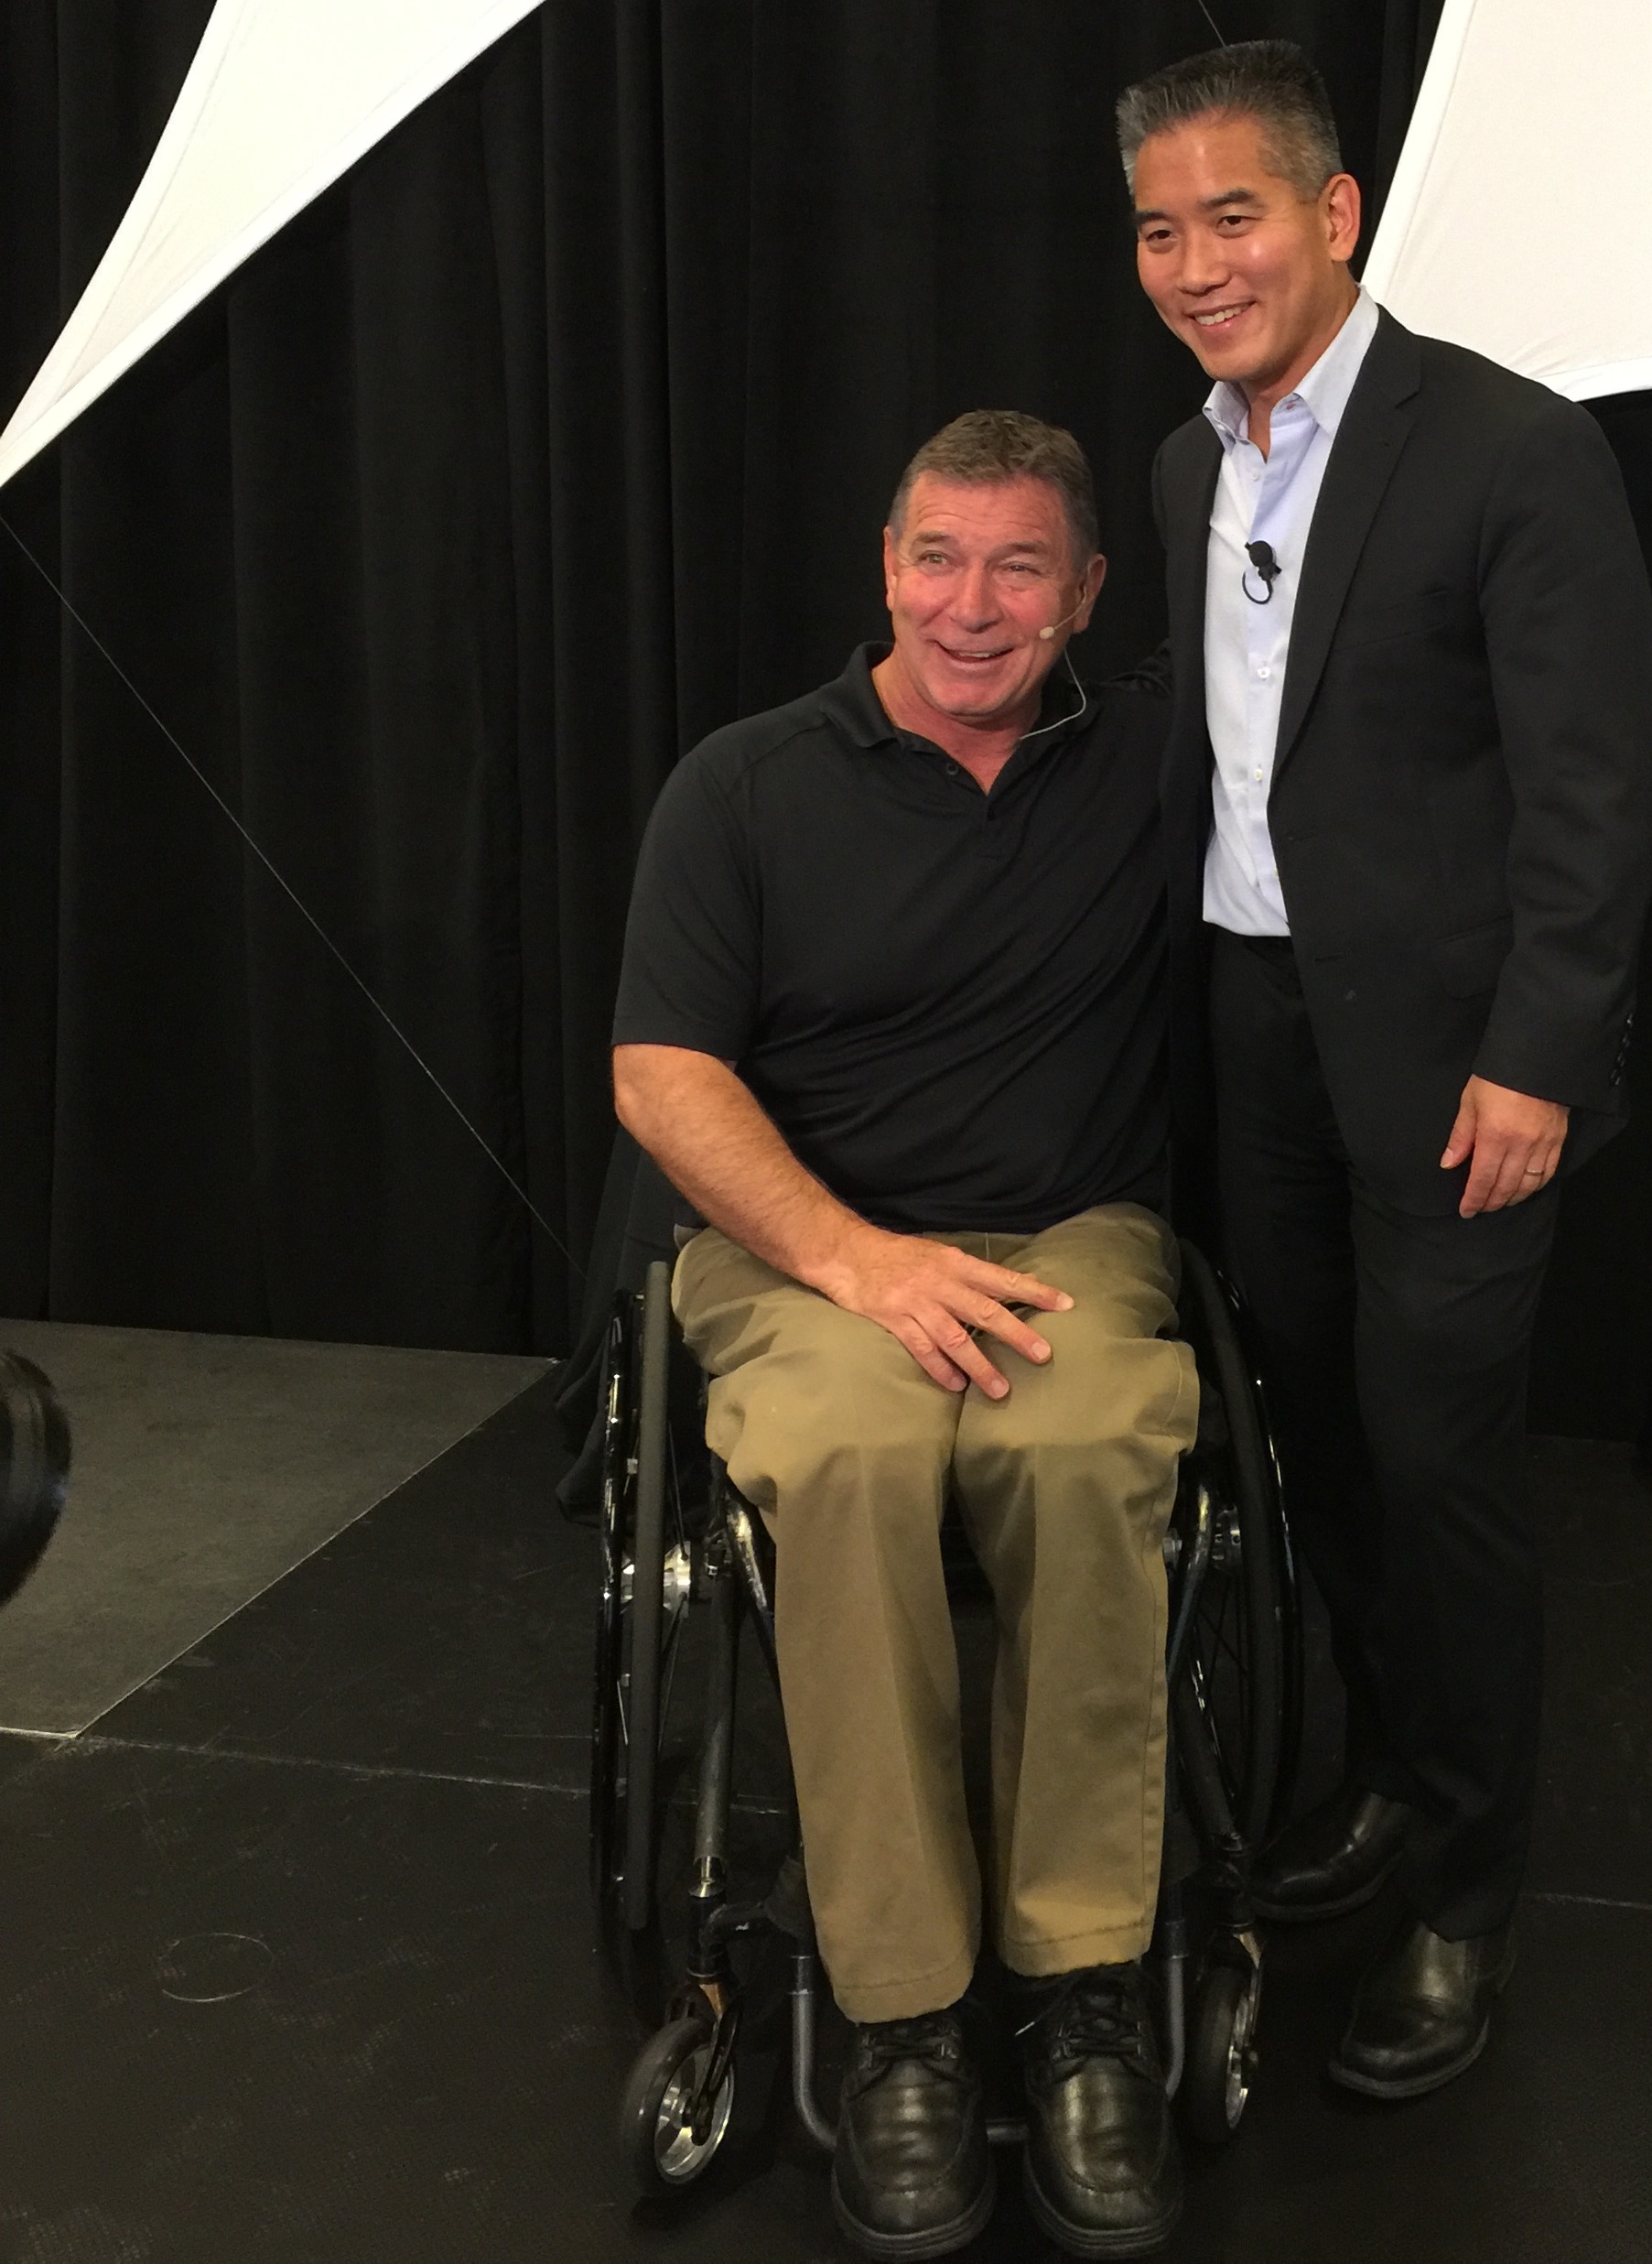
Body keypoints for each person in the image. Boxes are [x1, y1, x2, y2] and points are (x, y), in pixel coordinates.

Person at [1117, 42, 1652, 2099]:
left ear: (1335, 215)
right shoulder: (1186, 464)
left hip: (1454, 1073)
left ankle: (1468, 1885)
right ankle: (1377, 1773)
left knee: (1440, 1470)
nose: (1192, 262)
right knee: (1314, 1446)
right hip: (1253, 1037)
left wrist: (1541, 1056)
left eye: (1230, 216)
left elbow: (1595, 791)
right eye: (1161, 230)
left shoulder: (1514, 451)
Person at [610, 411, 1191, 2260]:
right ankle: (907, 2015)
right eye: (939, 556)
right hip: (803, 1241)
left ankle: (1086, 1981)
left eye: (1025, 566)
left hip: (1067, 1234)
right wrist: (856, 1260)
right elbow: (661, 1073)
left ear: (1089, 593)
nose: (973, 603)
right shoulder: (746, 785)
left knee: (1079, 1445)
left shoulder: (1156, 766)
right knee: (855, 1456)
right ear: (884, 564)